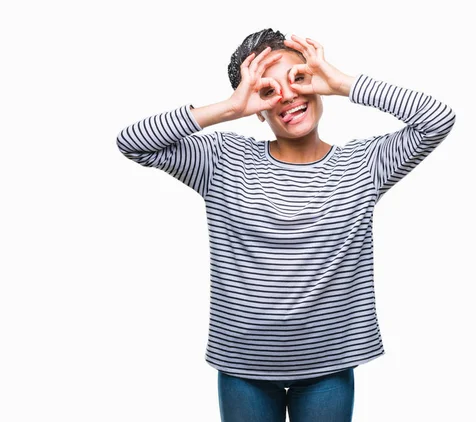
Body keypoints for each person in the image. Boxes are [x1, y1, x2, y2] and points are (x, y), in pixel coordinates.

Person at [116, 28, 456, 422]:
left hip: (329, 365)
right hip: (243, 366)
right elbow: (133, 142)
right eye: (267, 90)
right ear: (255, 107)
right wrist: (228, 107)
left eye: (298, 79)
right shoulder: (221, 159)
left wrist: (341, 83)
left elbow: (437, 120)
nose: (288, 96)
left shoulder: (365, 165)